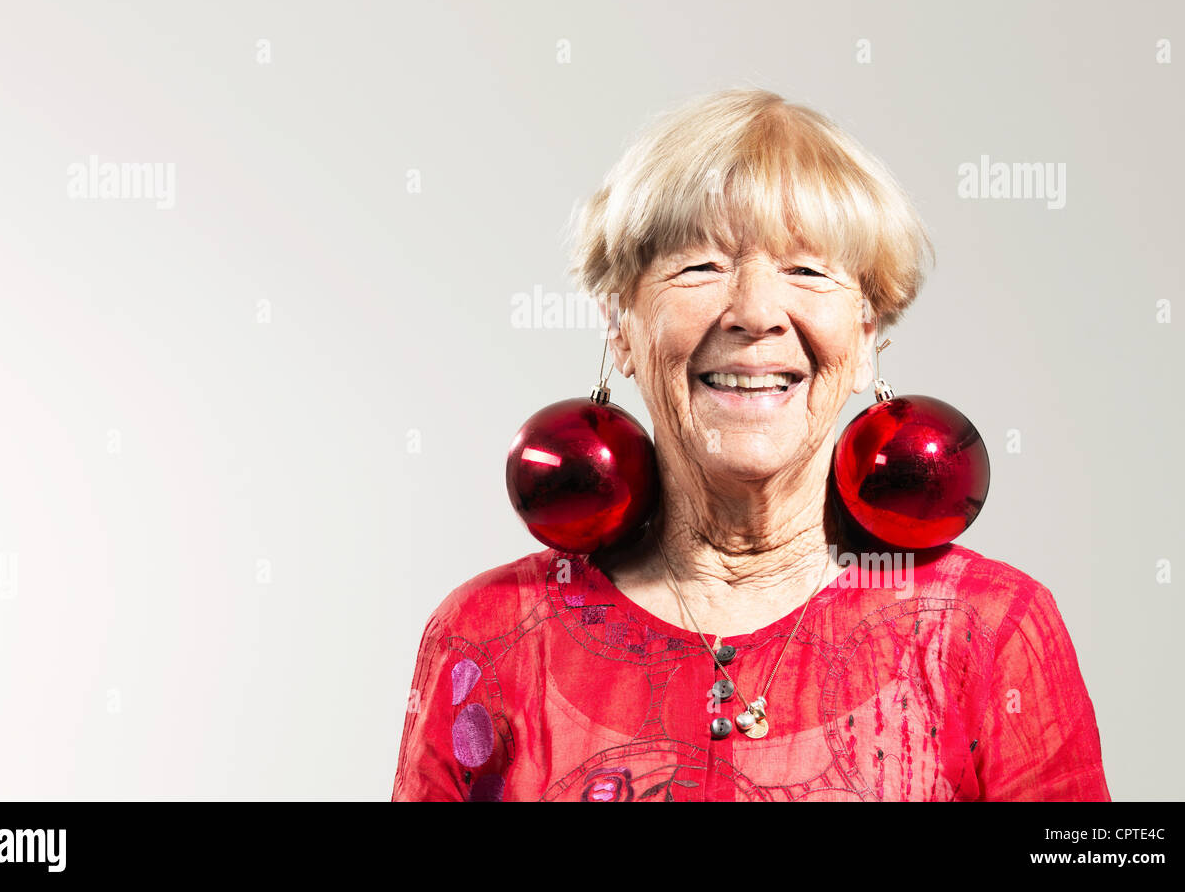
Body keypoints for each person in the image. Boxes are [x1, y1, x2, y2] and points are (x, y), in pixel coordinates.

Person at [392, 88, 1109, 801]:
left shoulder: (989, 629)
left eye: (806, 270)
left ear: (865, 340)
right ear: (623, 328)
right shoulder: (491, 634)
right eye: (701, 265)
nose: (757, 313)